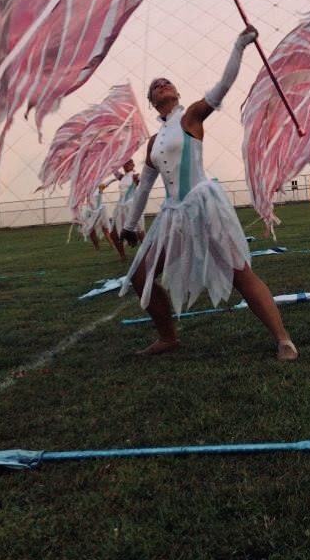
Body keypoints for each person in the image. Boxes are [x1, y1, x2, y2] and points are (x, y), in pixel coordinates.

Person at [119, 26, 298, 361]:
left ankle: (283, 338)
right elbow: (144, 187)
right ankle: (168, 338)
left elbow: (222, 87)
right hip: (173, 216)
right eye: (155, 86)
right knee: (141, 274)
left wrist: (239, 46)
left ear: (175, 92)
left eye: (166, 82)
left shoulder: (190, 116)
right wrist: (130, 225)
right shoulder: (153, 143)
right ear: (152, 102)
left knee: (240, 275)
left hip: (204, 206)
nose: (161, 85)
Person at [80, 183, 126, 261]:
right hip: (91, 211)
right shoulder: (87, 189)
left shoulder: (99, 187)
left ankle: (112, 244)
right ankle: (96, 246)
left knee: (105, 229)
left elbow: (107, 183)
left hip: (100, 210)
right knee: (91, 230)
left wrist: (113, 180)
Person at [112, 159, 145, 247]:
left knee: (140, 231)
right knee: (115, 232)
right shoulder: (122, 177)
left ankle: (146, 252)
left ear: (133, 164)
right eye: (124, 164)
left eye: (128, 163)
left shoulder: (135, 176)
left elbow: (144, 178)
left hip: (132, 206)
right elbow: (113, 168)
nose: (125, 165)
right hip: (121, 207)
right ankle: (122, 257)